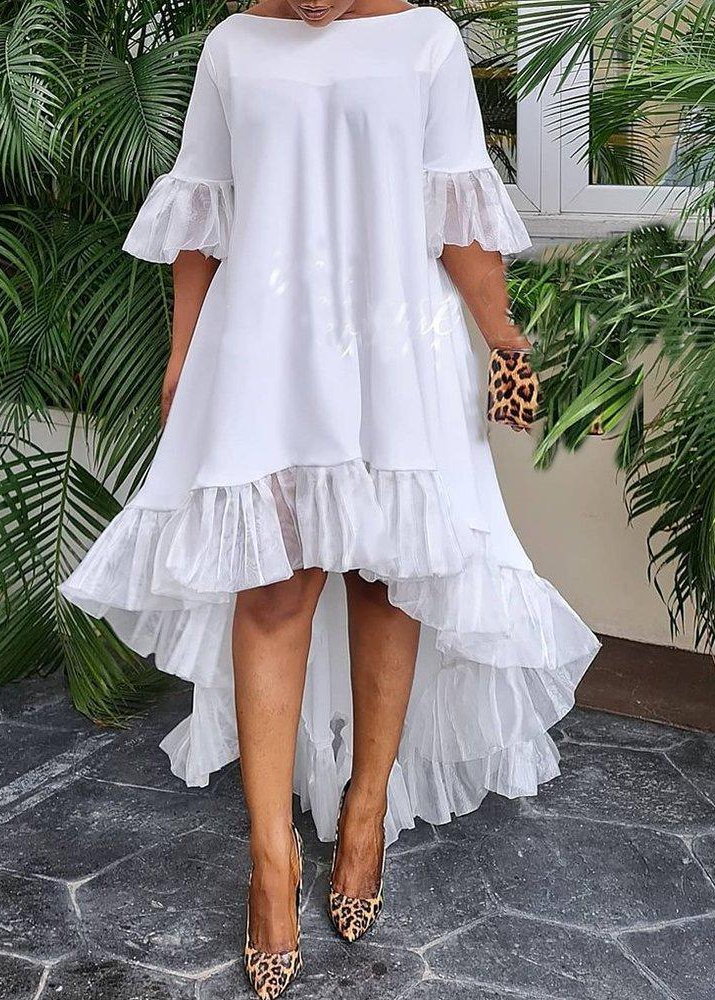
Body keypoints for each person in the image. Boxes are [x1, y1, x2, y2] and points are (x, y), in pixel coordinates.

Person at [60, 2, 601, 996]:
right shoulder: (232, 46)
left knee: (388, 578)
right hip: (263, 348)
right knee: (270, 587)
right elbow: (205, 211)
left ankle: (365, 809)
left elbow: (454, 218)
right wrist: (181, 354)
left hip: (399, 346)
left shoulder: (427, 41)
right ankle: (270, 861)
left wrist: (506, 344)